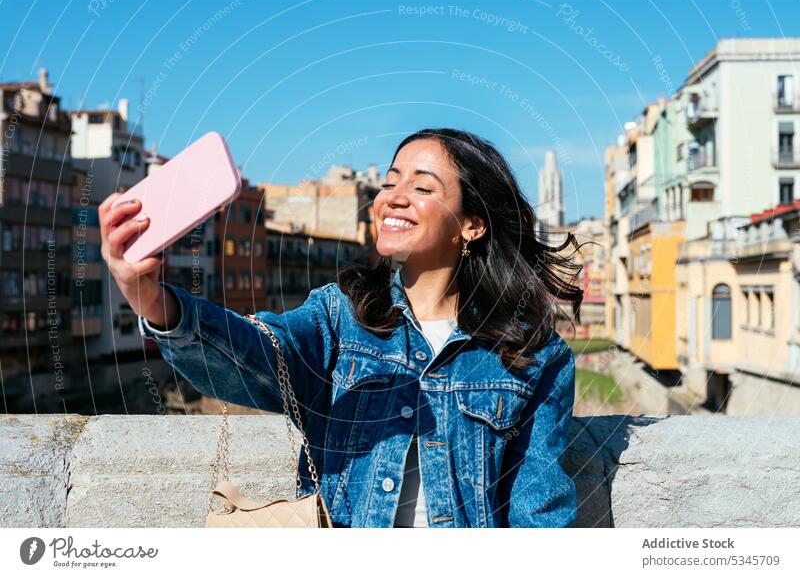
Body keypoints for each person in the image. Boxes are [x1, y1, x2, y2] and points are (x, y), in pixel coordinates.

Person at [99, 127, 584, 528]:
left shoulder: (535, 355)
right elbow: (253, 357)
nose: (393, 198)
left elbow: (537, 516)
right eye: (390, 182)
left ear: (472, 225)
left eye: (422, 187)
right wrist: (153, 299)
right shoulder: (339, 317)